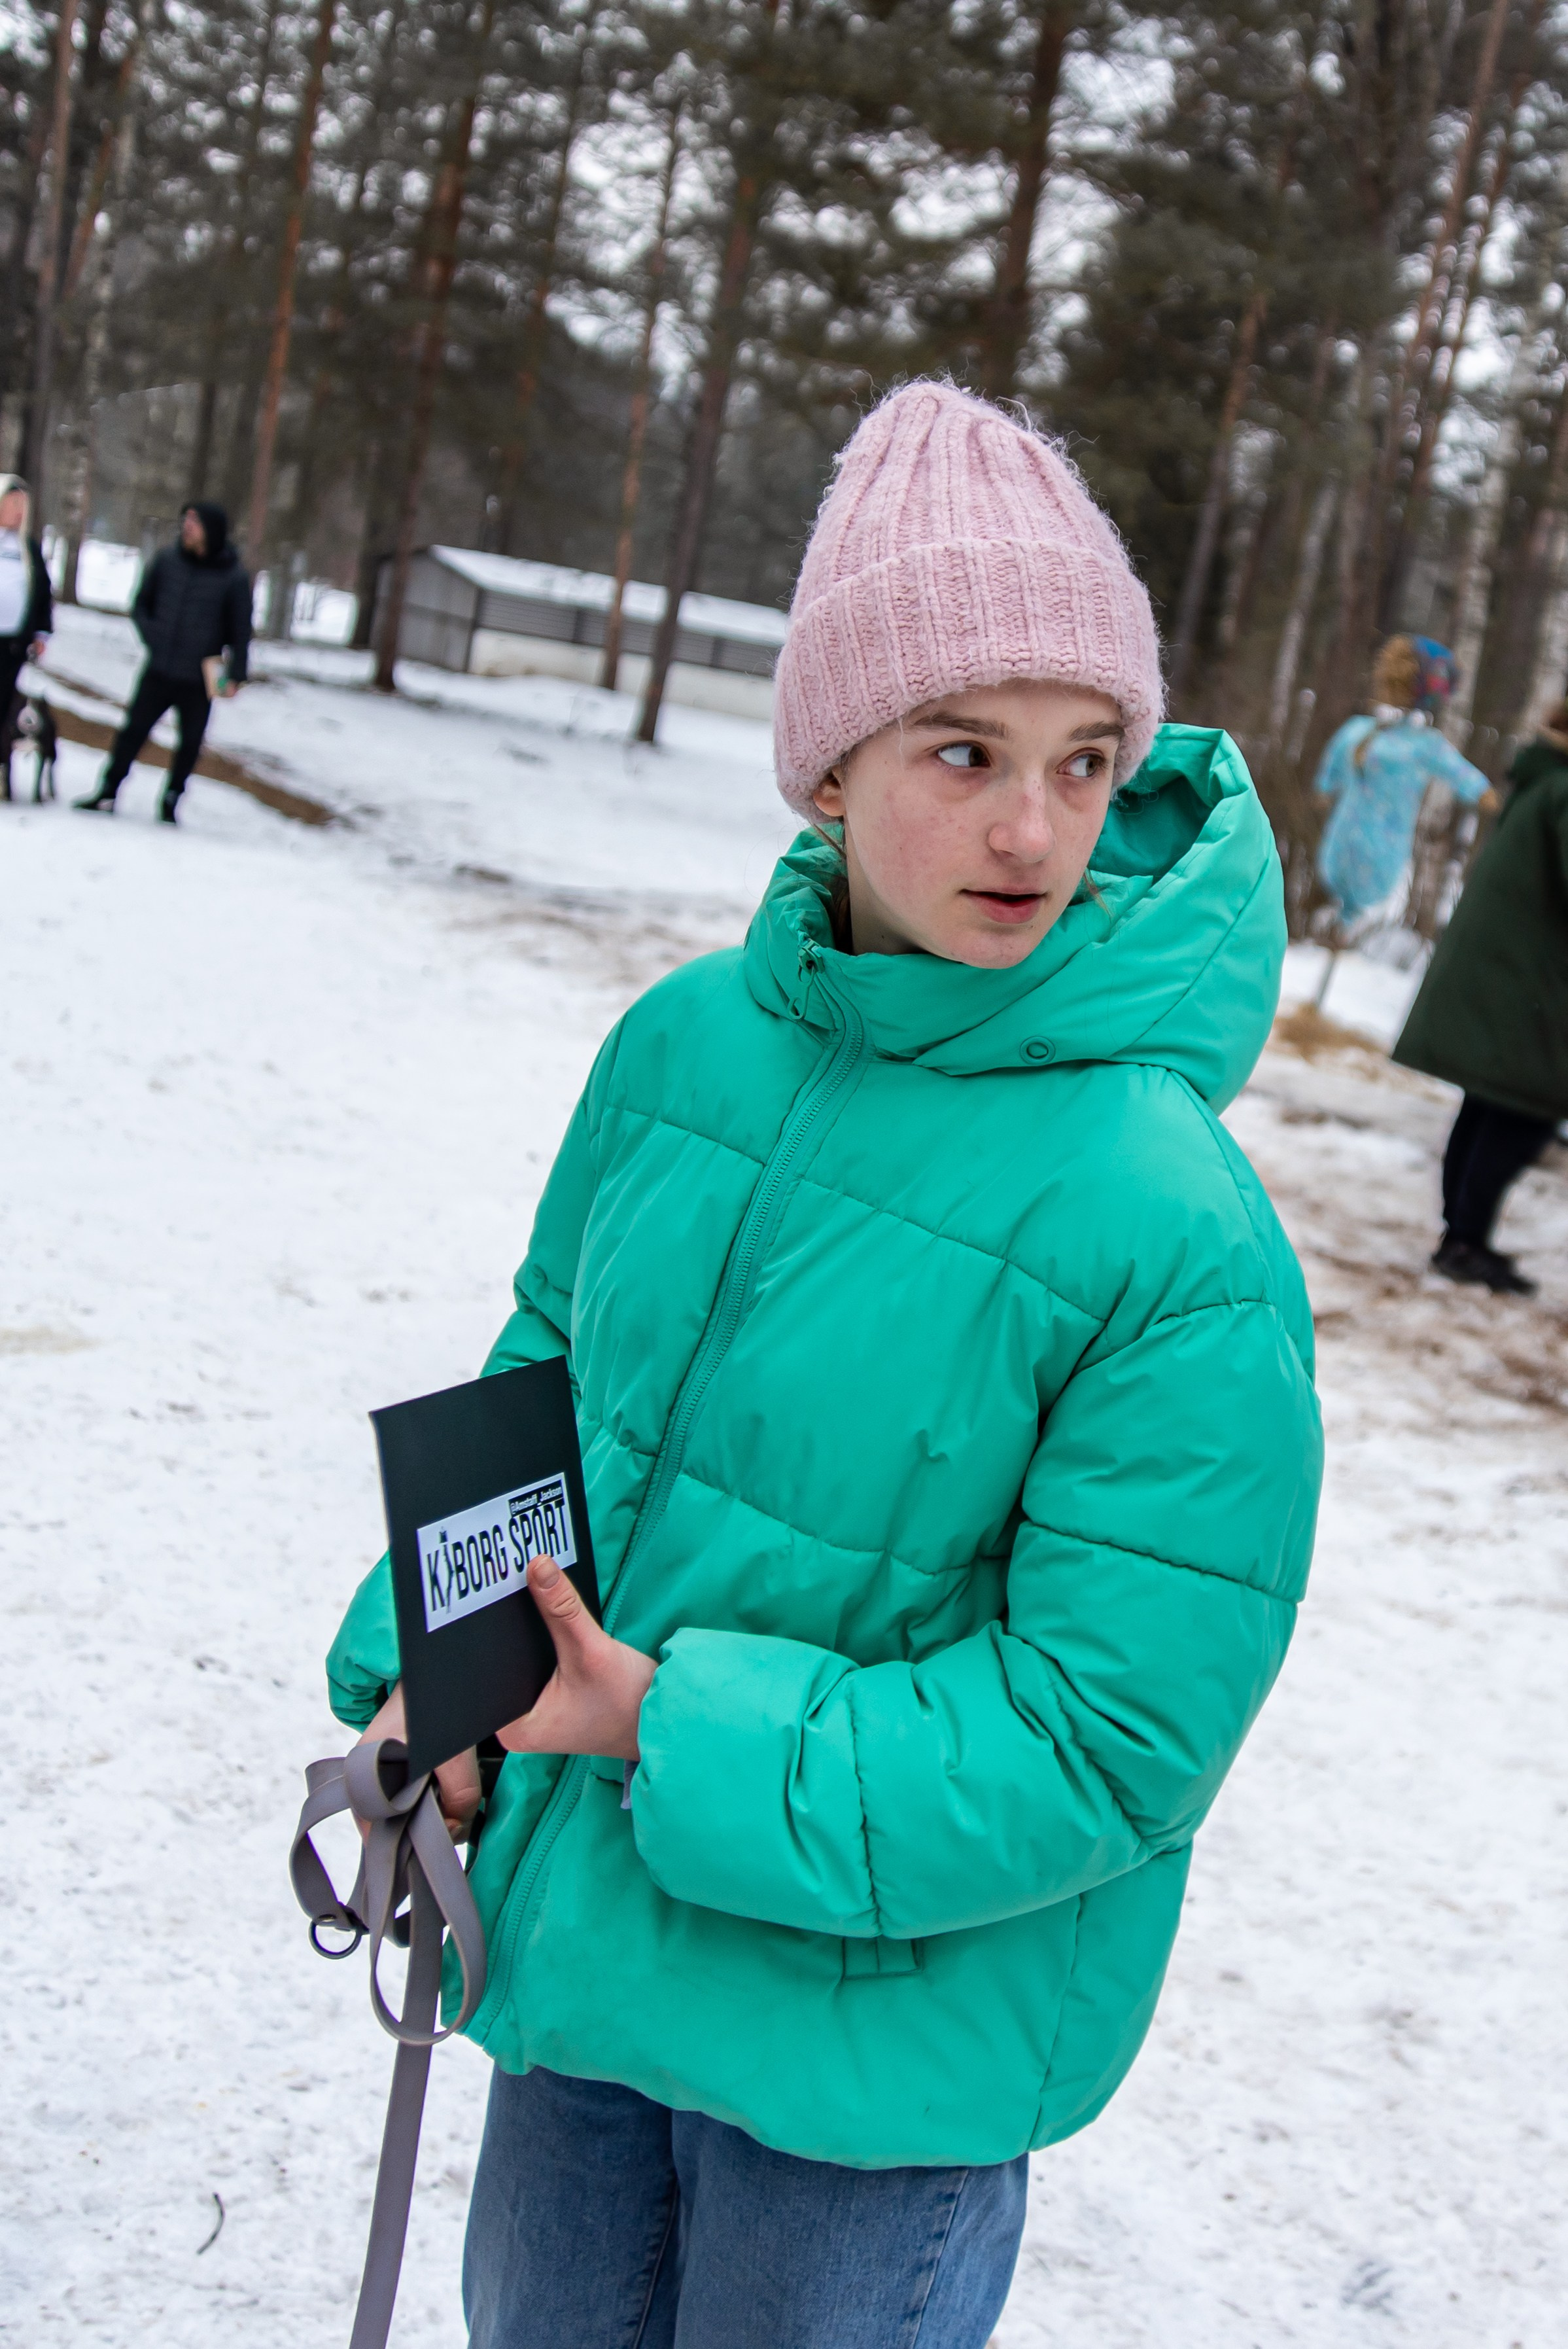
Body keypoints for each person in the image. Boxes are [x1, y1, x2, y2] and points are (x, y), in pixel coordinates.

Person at [322, 383, 1323, 2349]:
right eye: (965, 750)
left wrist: (658, 1726)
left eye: (1083, 758)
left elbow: (1112, 1726)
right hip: (592, 1967)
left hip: (882, 2068)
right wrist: (437, 1676)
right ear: (829, 766)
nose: (1033, 825)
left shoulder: (1171, 1224)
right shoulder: (685, 1048)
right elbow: (548, 1377)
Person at [1393, 699, 1568, 1295]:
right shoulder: (1563, 788)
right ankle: (1464, 1241)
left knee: (1490, 1103)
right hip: (1526, 985)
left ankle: (1459, 1235)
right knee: (1525, 1108)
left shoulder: (1542, 776)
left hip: (1509, 976)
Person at [75, 500, 249, 824]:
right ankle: (109, 790)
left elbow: (241, 629)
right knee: (133, 732)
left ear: (211, 531)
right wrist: (152, 635)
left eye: (194, 524)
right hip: (160, 669)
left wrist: (237, 674)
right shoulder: (167, 561)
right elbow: (141, 604)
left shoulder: (234, 577)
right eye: (186, 522)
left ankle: (171, 800)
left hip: (200, 677)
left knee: (190, 743)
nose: (187, 528)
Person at [1312, 634, 1494, 926]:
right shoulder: (1361, 730)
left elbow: (1459, 771)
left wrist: (1484, 793)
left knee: (1358, 901)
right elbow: (1335, 760)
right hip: (1341, 843)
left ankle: (1346, 925)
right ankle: (1338, 923)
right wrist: (1325, 786)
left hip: (1382, 851)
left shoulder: (1423, 745)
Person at [0, 473, 52, 787]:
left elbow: (42, 592)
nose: (18, 512)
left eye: (23, 506)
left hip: (11, 644)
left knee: (4, 704)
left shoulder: (27, 549)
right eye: (11, 504)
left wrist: (40, 633)